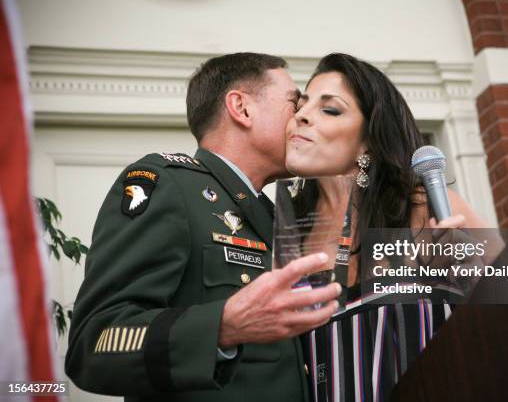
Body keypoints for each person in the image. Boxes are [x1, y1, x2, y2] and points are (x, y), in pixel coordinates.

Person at [65, 52, 342, 402]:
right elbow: (94, 344)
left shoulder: (278, 217)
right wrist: (222, 326)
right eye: (294, 101)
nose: (303, 116)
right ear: (241, 108)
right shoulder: (169, 186)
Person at [284, 53, 490, 401]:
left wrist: (476, 275)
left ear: (369, 139)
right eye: (301, 106)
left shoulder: (424, 209)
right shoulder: (287, 232)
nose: (302, 115)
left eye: (330, 109)